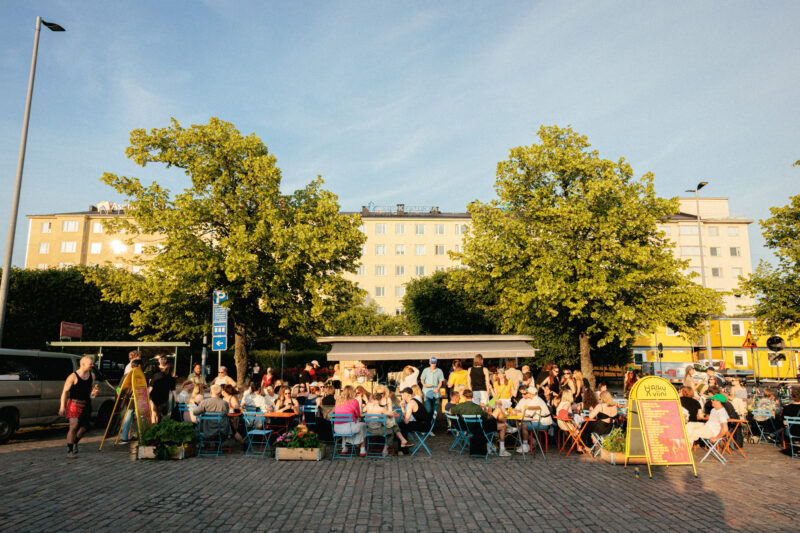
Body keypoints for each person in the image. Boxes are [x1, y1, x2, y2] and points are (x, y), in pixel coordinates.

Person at [450, 389, 511, 456]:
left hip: (469, 429)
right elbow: (487, 416)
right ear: (472, 396)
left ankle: (496, 443)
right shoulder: (477, 407)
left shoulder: (460, 406)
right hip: (481, 429)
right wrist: (485, 409)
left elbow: (450, 411)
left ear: (464, 397)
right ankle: (502, 449)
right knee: (502, 423)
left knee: (499, 417)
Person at [59, 356, 98, 458]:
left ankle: (75, 441)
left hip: (86, 403)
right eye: (90, 364)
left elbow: (91, 391)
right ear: (83, 364)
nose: (92, 366)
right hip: (74, 404)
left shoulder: (92, 375)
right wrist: (62, 407)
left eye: (92, 364)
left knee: (85, 428)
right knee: (74, 426)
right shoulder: (73, 376)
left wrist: (94, 393)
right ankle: (70, 450)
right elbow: (64, 392)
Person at [514, 386, 552, 453]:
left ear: (530, 394)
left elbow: (527, 414)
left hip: (543, 423)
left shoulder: (534, 401)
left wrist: (517, 414)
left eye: (527, 393)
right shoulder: (536, 399)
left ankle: (525, 446)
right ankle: (528, 443)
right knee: (522, 423)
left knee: (523, 425)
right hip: (543, 421)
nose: (526, 394)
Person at [333, 386, 367, 456]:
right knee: (363, 425)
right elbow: (357, 415)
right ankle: (362, 449)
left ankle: (345, 447)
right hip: (349, 428)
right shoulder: (354, 401)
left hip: (337, 428)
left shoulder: (338, 401)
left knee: (348, 426)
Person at [398, 387, 432, 453]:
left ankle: (403, 449)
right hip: (425, 423)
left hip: (424, 426)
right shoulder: (413, 401)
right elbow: (407, 419)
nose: (402, 396)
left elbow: (406, 421)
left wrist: (402, 416)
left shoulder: (411, 404)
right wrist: (402, 408)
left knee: (401, 425)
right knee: (402, 425)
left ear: (409, 395)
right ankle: (404, 448)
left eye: (404, 394)